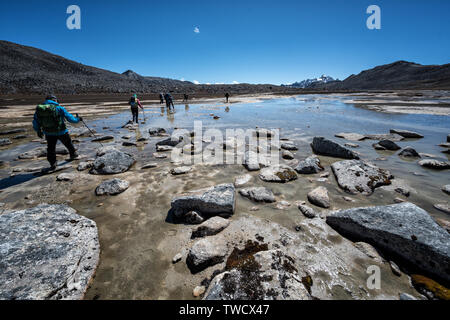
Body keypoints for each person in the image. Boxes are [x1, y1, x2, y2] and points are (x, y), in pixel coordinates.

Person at [33, 95, 81, 170]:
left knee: (51, 148)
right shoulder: (59, 108)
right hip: (61, 131)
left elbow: (35, 122)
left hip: (49, 132)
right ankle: (73, 155)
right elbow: (70, 119)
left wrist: (38, 131)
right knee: (68, 143)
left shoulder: (40, 109)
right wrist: (78, 119)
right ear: (55, 100)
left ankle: (53, 163)